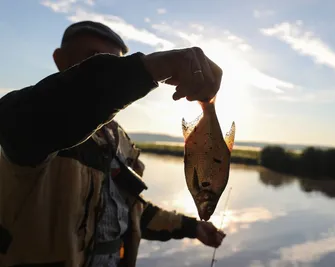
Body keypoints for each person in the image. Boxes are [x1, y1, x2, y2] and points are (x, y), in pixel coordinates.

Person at [0, 20, 225, 267]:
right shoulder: (34, 118)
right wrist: (149, 69)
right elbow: (35, 117)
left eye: (114, 62)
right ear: (60, 59)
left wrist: (194, 228)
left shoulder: (121, 143)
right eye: (95, 58)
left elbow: (135, 212)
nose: (106, 68)